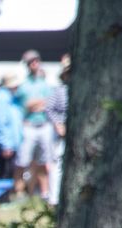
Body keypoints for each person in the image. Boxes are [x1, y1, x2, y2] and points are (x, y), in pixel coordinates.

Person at [0, 71, 24, 189]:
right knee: (4, 176)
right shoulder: (2, 99)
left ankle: (5, 200)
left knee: (9, 175)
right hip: (5, 146)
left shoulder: (11, 98)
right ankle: (1, 201)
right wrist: (5, 144)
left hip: (11, 145)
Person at [44, 58, 69, 206]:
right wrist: (57, 124)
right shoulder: (60, 90)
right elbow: (49, 108)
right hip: (61, 133)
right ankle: (54, 198)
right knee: (57, 164)